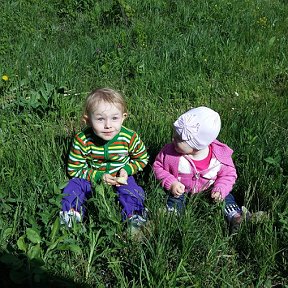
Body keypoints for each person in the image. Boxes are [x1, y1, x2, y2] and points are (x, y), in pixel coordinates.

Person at [59, 88, 149, 231]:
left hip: (121, 177)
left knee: (132, 191)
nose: (108, 125)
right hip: (92, 177)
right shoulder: (83, 140)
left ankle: (135, 218)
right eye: (100, 119)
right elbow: (74, 169)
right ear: (87, 120)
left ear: (123, 117)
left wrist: (126, 170)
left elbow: (142, 158)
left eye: (115, 118)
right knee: (74, 186)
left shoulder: (129, 137)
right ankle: (71, 216)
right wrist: (98, 176)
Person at [153, 106, 249, 233]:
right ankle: (169, 220)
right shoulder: (170, 153)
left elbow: (228, 175)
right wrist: (172, 183)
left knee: (226, 198)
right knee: (174, 199)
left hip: (210, 188)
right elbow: (158, 167)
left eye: (178, 139)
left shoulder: (218, 157)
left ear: (197, 146)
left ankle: (236, 218)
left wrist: (220, 189)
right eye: (174, 135)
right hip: (181, 189)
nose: (173, 140)